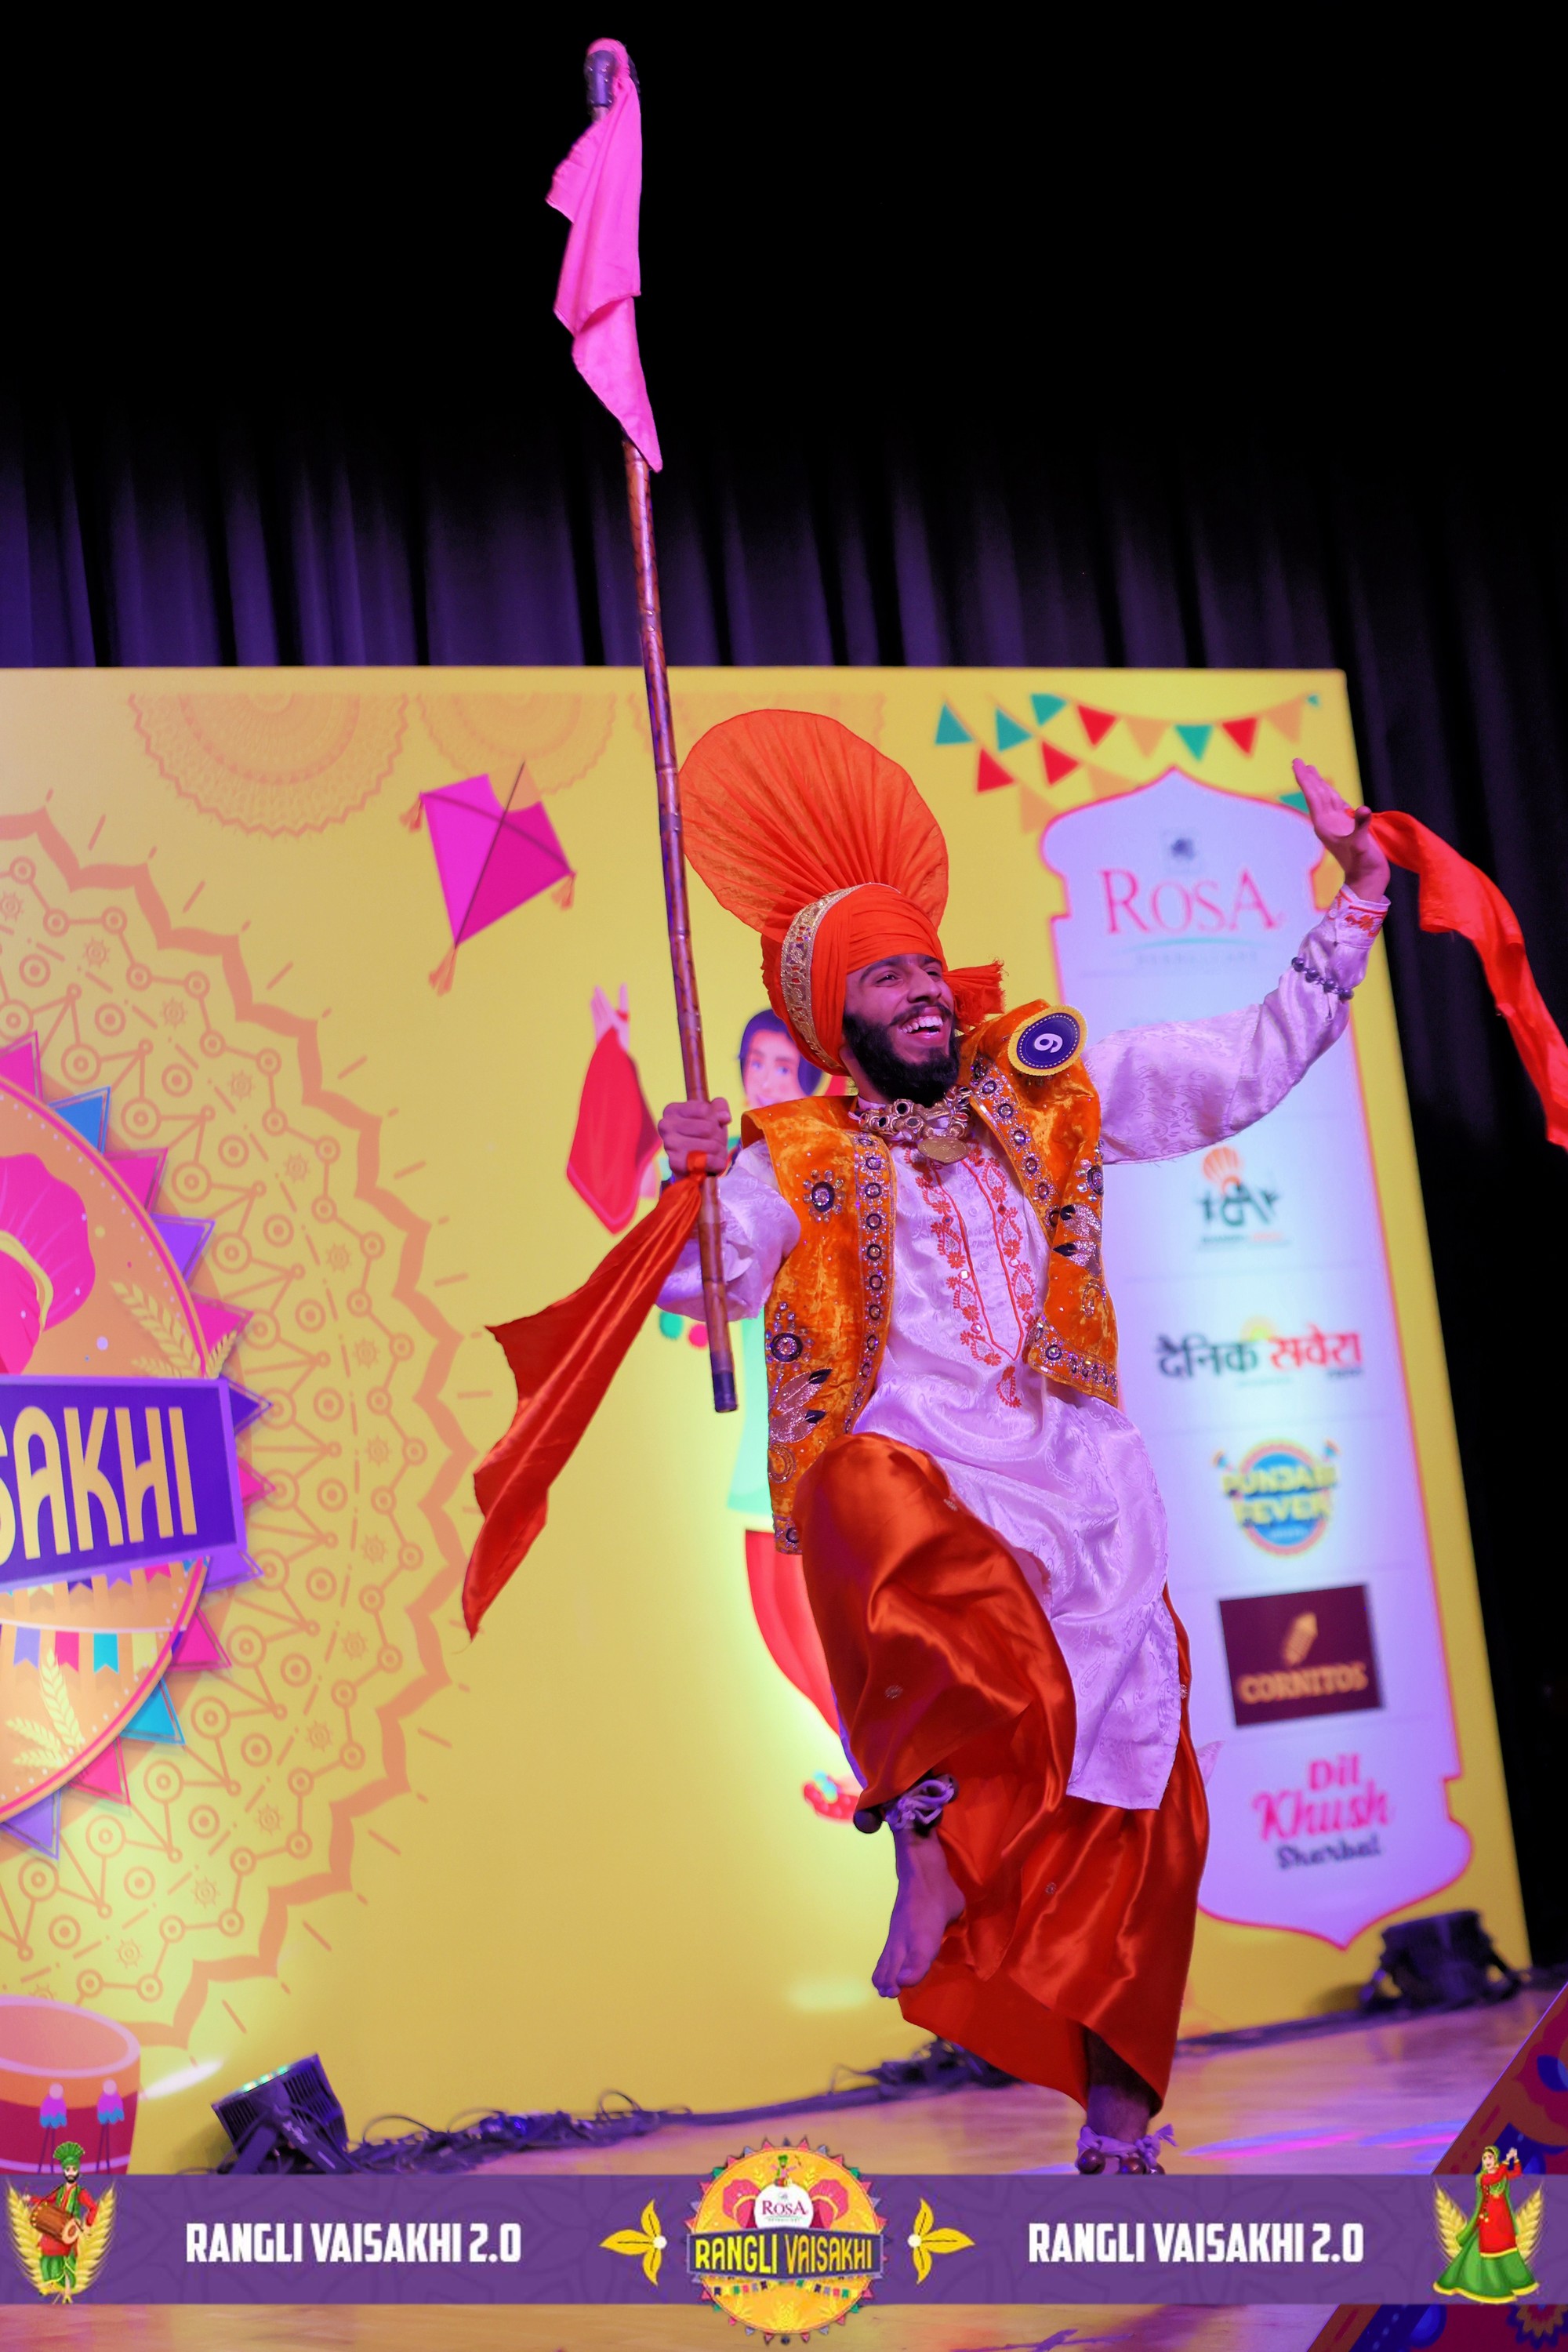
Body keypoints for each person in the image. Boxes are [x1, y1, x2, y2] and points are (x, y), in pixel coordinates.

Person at [656, 710, 1389, 2174]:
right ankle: (923, 1845)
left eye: (928, 966)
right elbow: (695, 1282)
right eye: (887, 978)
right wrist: (681, 1176)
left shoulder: (1045, 1095)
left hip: (1089, 1502)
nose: (926, 991)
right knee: (866, 1490)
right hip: (933, 1503)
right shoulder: (796, 1158)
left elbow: (1243, 1063)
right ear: (835, 1019)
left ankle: (1119, 2135)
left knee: (1144, 1805)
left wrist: (1355, 905)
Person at [28, 2141, 98, 2298]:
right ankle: (49, 2286)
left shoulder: (81, 2192)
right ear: (64, 2172)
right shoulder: (59, 2190)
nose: (71, 2172)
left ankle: (67, 2294)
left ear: (78, 2171)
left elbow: (94, 2208)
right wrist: (31, 2199)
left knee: (66, 2263)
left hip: (69, 2230)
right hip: (55, 2229)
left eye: (74, 2169)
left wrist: (88, 2225)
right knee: (46, 2258)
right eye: (68, 2169)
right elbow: (46, 2201)